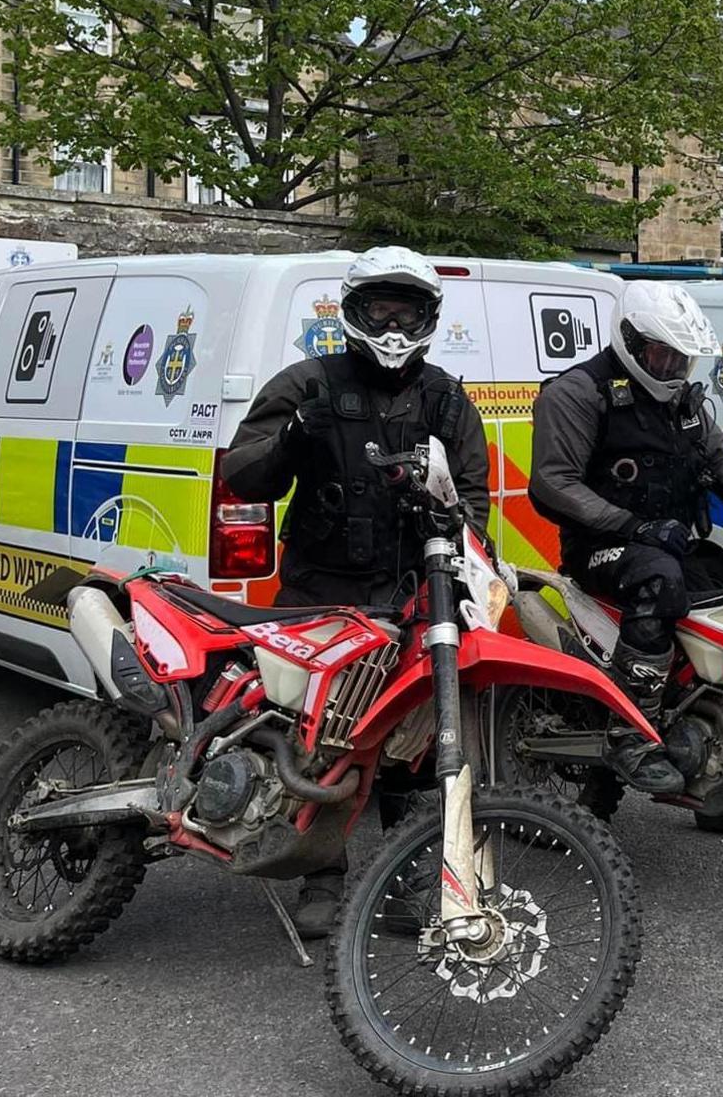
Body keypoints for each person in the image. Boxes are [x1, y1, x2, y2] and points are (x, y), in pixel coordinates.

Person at [220, 245, 491, 936]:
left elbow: (474, 498)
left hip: (408, 591)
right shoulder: (306, 383)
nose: (394, 324)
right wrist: (292, 437)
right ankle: (321, 873)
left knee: (412, 742)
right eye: (381, 309)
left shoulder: (446, 397)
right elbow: (245, 476)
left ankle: (406, 879)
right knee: (315, 735)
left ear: (429, 317)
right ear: (353, 312)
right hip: (320, 589)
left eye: (407, 310)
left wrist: (461, 571)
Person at [529, 280, 723, 841]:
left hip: (669, 539)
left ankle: (717, 785)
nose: (674, 366)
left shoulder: (682, 398)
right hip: (604, 546)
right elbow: (553, 484)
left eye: (683, 357)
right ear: (631, 340)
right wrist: (633, 525)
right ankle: (629, 734)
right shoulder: (579, 394)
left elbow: (720, 453)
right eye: (664, 354)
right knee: (660, 582)